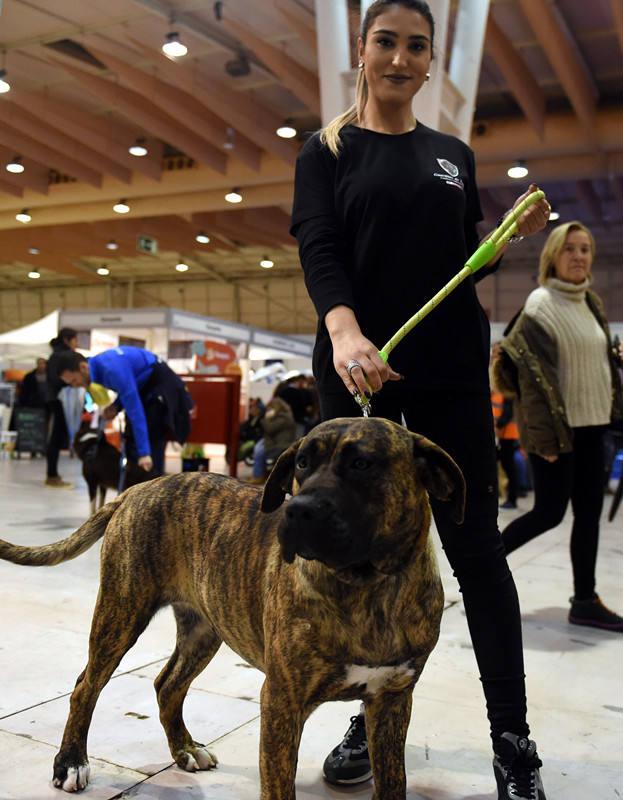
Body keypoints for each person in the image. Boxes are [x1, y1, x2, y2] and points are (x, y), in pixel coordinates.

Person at [289, 1, 551, 797]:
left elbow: (454, 267)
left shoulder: (452, 156)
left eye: (415, 46)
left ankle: (512, 741)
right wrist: (342, 333)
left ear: (431, 61)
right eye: (385, 43)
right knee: (359, 560)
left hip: (446, 375)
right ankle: (366, 714)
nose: (399, 58)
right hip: (357, 369)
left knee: (474, 556)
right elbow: (320, 246)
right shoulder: (326, 152)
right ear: (361, 55)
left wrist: (502, 244)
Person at [495, 221, 623, 632]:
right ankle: (480, 566)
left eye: (585, 249)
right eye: (570, 248)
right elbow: (530, 383)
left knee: (587, 515)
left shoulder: (592, 303)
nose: (579, 256)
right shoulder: (539, 304)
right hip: (557, 432)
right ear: (553, 254)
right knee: (548, 513)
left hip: (593, 427)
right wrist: (545, 439)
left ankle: (584, 600)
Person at [54, 346, 193, 477]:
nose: (75, 385)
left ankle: (153, 491)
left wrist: (144, 453)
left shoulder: (111, 369)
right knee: (131, 442)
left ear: (83, 367)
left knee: (148, 447)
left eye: (74, 380)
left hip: (162, 387)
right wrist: (116, 406)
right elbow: (131, 386)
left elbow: (135, 411)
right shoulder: (99, 368)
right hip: (146, 387)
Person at [45, 328, 78, 487]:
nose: (76, 343)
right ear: (67, 339)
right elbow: (56, 378)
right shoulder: (62, 355)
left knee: (56, 438)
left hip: (55, 399)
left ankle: (53, 474)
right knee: (55, 438)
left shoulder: (56, 354)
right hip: (58, 400)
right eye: (75, 340)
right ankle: (52, 475)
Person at [491, 348, 521, 510]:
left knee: (509, 467)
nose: (494, 355)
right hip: (501, 433)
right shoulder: (497, 380)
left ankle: (512, 498)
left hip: (507, 433)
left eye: (497, 353)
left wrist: (498, 426)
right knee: (499, 466)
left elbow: (507, 410)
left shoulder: (505, 379)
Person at [247, 394, 296, 484]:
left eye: (271, 408)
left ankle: (259, 476)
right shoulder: (281, 416)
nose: (268, 410)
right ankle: (259, 473)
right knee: (258, 448)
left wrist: (264, 418)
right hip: (275, 442)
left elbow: (270, 429)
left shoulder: (284, 417)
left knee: (259, 451)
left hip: (281, 445)